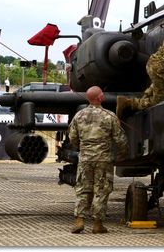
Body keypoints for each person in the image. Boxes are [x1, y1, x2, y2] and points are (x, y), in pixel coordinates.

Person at [69, 86, 128, 234]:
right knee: (101, 190)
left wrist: (83, 148)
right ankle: (97, 224)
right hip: (103, 159)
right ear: (100, 98)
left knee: (83, 189)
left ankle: (79, 221)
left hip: (85, 159)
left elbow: (72, 138)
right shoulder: (109, 116)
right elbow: (120, 139)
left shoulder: (79, 115)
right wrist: (123, 153)